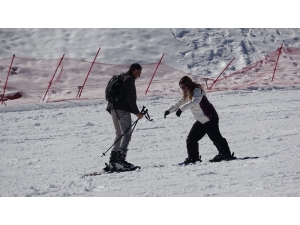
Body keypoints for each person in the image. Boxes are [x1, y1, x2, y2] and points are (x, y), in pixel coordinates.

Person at [164, 76, 234, 164]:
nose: (183, 89)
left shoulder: (197, 91)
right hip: (201, 120)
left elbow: (195, 101)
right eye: (181, 88)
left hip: (210, 117)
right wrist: (169, 110)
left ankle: (225, 154)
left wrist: (181, 110)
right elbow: (179, 103)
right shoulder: (187, 94)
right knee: (191, 139)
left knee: (215, 137)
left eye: (183, 87)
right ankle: (193, 158)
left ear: (188, 84)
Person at [105, 63, 144, 171]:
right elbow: (130, 98)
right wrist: (137, 113)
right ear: (135, 70)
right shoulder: (129, 80)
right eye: (139, 72)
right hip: (122, 110)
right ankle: (120, 161)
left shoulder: (121, 77)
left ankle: (113, 161)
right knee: (126, 134)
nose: (139, 75)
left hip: (113, 108)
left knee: (119, 134)